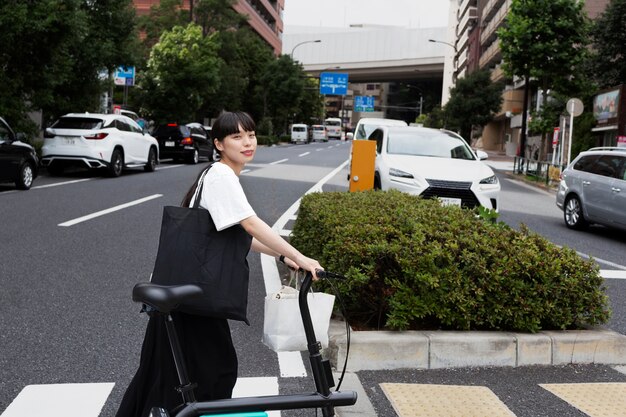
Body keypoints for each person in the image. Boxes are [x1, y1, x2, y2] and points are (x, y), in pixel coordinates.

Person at [116, 111, 323, 417]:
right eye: (236, 137)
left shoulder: (216, 175)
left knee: (168, 376)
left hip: (185, 295)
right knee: (212, 372)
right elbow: (250, 224)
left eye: (250, 135)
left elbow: (235, 232)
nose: (247, 142)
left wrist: (283, 256)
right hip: (191, 298)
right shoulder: (221, 176)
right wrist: (300, 256)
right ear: (219, 144)